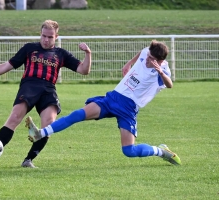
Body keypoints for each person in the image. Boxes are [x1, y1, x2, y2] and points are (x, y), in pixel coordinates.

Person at [25, 40, 181, 166]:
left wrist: (160, 71)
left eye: (152, 60)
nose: (148, 59)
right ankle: (41, 133)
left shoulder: (162, 70)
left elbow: (169, 84)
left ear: (160, 61)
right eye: (148, 56)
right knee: (78, 114)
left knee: (129, 151)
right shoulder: (149, 52)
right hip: (113, 97)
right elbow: (143, 52)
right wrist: (129, 63)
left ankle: (161, 151)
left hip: (129, 108)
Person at [0, 19, 92, 167]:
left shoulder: (61, 54)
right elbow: (7, 66)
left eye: (50, 37)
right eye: (43, 36)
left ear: (56, 37)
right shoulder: (29, 49)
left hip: (48, 89)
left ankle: (28, 160)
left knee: (49, 125)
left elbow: (84, 70)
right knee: (14, 118)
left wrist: (88, 53)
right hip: (29, 86)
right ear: (40, 34)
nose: (46, 40)